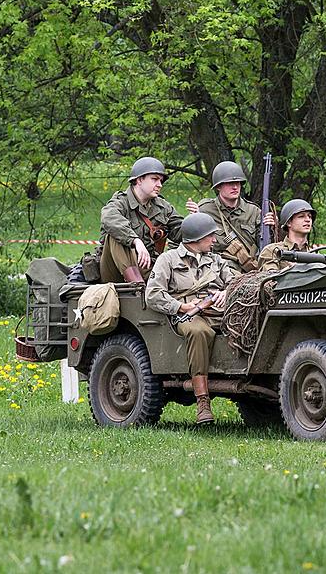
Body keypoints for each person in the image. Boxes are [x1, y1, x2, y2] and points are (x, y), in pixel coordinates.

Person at [145, 213, 235, 424]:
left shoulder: (216, 260)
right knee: (198, 332)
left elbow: (236, 281)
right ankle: (203, 401)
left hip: (216, 312)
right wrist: (181, 306)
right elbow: (153, 294)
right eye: (210, 236)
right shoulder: (168, 260)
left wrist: (226, 292)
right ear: (196, 238)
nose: (214, 240)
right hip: (186, 315)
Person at [98, 157, 184, 283]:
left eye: (161, 181)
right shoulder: (121, 202)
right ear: (139, 180)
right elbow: (109, 218)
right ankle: (137, 287)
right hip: (114, 270)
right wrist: (135, 241)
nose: (159, 185)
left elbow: (180, 231)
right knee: (115, 235)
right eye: (154, 179)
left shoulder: (162, 207)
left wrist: (196, 221)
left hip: (147, 267)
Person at [186, 161, 276, 273]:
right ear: (218, 186)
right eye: (230, 183)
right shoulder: (205, 209)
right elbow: (191, 243)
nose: (235, 187)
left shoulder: (253, 211)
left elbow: (266, 247)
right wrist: (194, 219)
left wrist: (270, 228)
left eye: (237, 183)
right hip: (216, 269)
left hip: (249, 269)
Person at [258, 199, 316, 272]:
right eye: (301, 216)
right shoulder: (272, 251)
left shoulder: (314, 254)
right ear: (288, 222)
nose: (308, 220)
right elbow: (270, 279)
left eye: (309, 216)